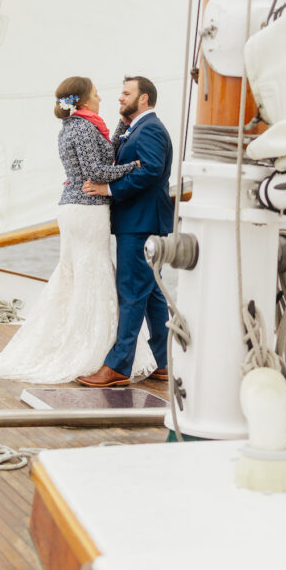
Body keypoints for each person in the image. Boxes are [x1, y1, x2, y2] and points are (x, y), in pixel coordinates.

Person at [0, 75, 152, 383]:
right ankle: (91, 350)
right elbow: (96, 171)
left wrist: (121, 127)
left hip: (75, 208)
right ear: (83, 99)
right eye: (96, 93)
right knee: (93, 274)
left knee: (77, 275)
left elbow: (100, 156)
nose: (101, 98)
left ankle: (86, 343)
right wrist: (133, 166)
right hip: (87, 209)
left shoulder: (74, 126)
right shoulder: (83, 128)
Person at [77, 75, 173, 387]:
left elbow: (150, 170)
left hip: (140, 224)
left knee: (131, 293)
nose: (120, 97)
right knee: (150, 295)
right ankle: (166, 362)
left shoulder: (151, 129)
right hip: (139, 222)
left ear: (144, 98)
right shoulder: (139, 128)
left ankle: (118, 366)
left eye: (126, 93)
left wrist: (108, 188)